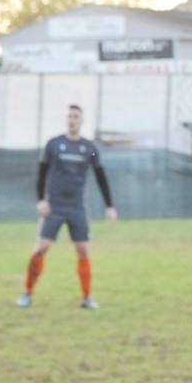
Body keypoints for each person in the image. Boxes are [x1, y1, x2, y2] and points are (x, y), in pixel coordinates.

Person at [16, 104, 116, 309]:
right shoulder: (53, 145)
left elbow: (100, 175)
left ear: (82, 120)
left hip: (77, 206)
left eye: (76, 116)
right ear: (66, 120)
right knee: (42, 248)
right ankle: (27, 293)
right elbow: (42, 173)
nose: (72, 120)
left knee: (83, 250)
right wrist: (40, 200)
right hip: (54, 205)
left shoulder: (90, 149)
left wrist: (109, 205)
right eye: (70, 116)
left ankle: (87, 297)